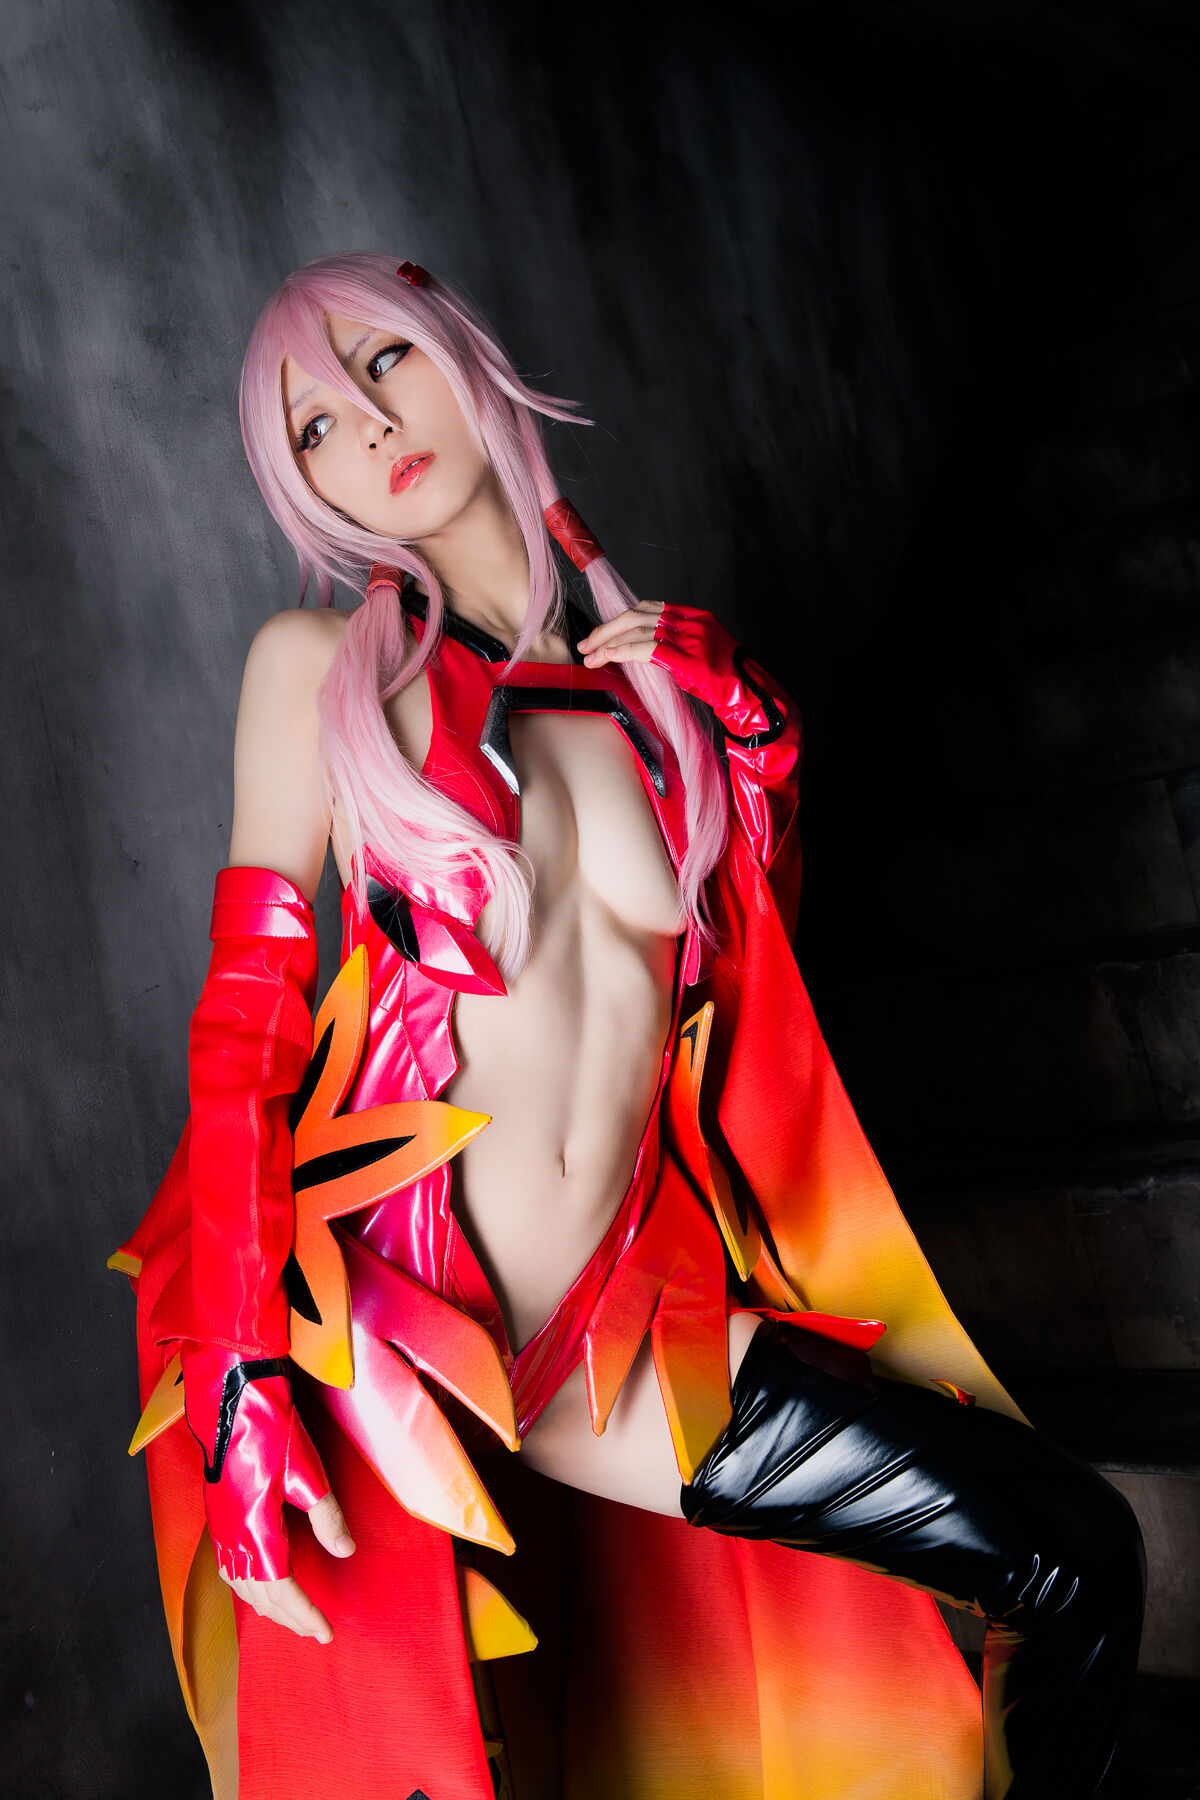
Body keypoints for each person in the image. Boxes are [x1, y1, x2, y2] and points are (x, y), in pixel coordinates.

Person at [112, 251, 1146, 1800]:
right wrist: (244, 1382)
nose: (366, 424)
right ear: (303, 485)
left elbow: (741, 976)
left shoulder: (639, 701)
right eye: (313, 424)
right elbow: (244, 1031)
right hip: (381, 1345)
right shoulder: (317, 673)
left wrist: (751, 728)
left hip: (613, 1343)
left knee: (1070, 1552)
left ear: (463, 353)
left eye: (384, 361)